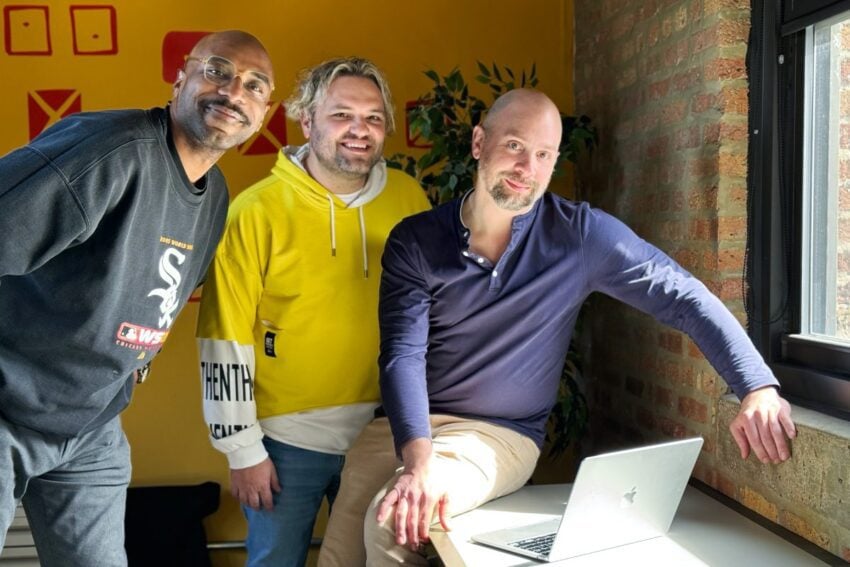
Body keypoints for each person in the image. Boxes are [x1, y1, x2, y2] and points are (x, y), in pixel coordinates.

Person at [317, 89, 798, 566]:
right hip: (403, 426)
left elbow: (682, 295)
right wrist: (417, 457)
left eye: (544, 155)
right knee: (338, 554)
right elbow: (403, 355)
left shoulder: (581, 237)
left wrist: (756, 384)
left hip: (497, 433)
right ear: (479, 143)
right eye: (514, 146)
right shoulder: (416, 240)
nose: (528, 168)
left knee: (394, 519)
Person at [0, 30, 274, 566]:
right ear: (181, 77)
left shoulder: (214, 196)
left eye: (254, 86)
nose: (233, 92)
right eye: (217, 70)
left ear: (263, 112)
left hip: (90, 426)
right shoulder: (112, 151)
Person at [196, 57, 431, 567]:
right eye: (342, 115)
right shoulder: (255, 211)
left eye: (372, 118)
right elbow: (224, 335)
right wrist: (242, 451)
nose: (359, 131)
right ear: (308, 122)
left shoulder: (410, 199)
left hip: (384, 433)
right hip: (284, 446)